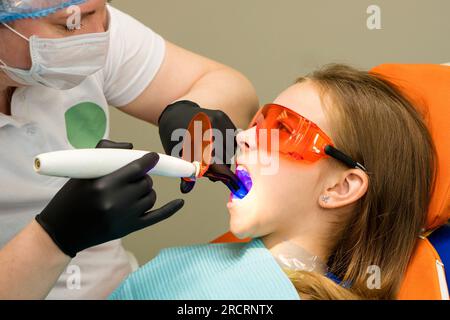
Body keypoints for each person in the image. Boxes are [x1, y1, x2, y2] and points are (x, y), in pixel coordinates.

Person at [0, 0, 258, 299]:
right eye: (66, 24)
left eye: (100, 11)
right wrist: (53, 238)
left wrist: (187, 111)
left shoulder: (86, 19)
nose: (96, 35)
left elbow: (231, 87)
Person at [109, 64, 436, 300]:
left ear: (340, 187)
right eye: (257, 122)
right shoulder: (193, 267)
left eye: (283, 131)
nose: (244, 137)